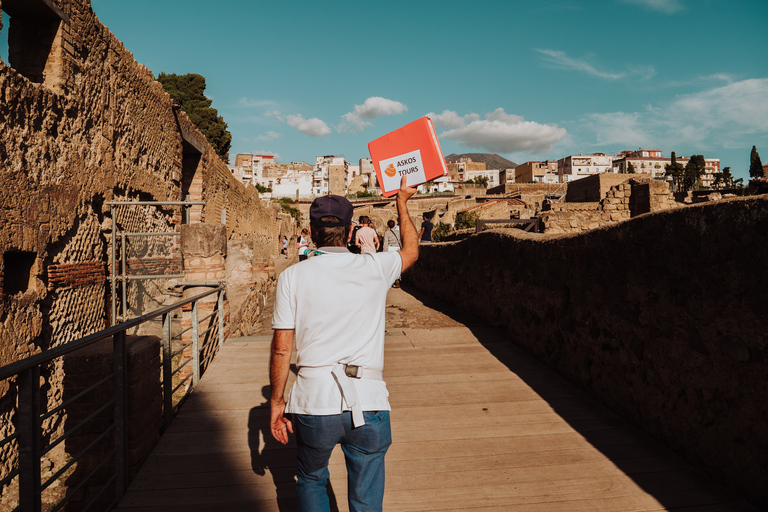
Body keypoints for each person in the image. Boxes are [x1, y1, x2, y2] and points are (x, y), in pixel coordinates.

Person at [269, 176, 419, 512]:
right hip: (367, 400)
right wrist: (402, 203)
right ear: (350, 231)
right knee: (366, 497)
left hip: (314, 400)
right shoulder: (374, 267)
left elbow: (282, 348)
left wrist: (277, 401)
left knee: (311, 479)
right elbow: (411, 250)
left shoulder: (293, 276)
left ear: (310, 230)